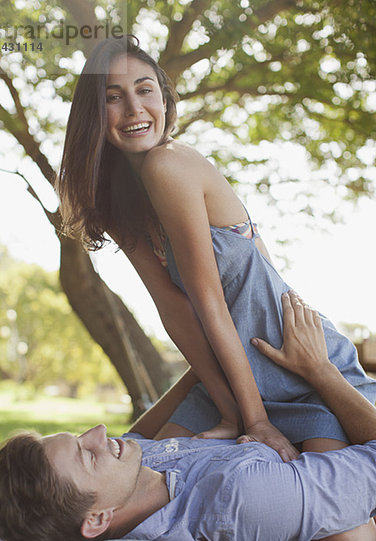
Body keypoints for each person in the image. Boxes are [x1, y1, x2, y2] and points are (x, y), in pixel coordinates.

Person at [57, 34, 376, 463]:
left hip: (299, 366)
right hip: (233, 377)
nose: (134, 108)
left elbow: (213, 300)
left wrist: (256, 421)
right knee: (140, 465)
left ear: (166, 100)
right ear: (94, 114)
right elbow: (175, 309)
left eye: (144, 89)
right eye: (113, 97)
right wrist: (234, 412)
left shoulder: (169, 164)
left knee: (333, 516)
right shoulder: (115, 200)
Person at [0, 291, 376, 541]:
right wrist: (321, 372)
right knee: (341, 540)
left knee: (231, 304)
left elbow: (182, 392)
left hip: (281, 405)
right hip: (341, 399)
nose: (99, 433)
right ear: (97, 519)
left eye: (81, 438)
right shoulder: (239, 498)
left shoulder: (132, 469)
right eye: (87, 455)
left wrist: (209, 353)